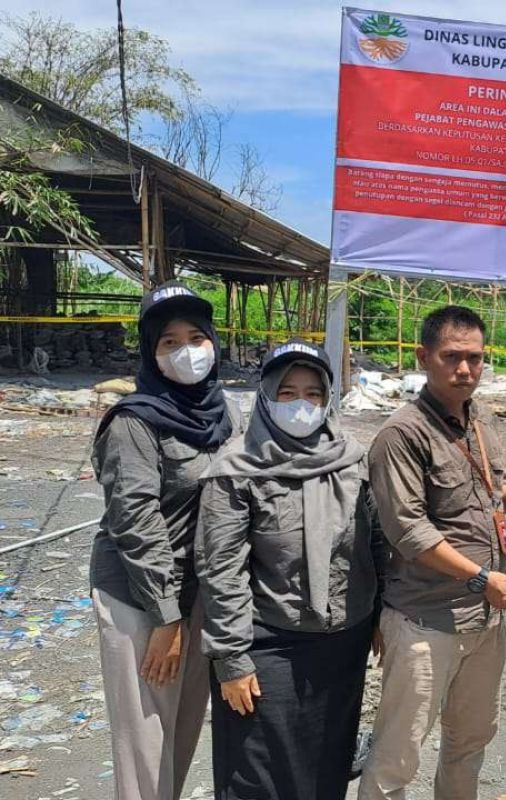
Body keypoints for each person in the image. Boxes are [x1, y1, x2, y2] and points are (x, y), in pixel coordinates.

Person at [358, 305, 506, 800]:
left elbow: (483, 496)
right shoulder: (402, 434)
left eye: (476, 358)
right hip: (426, 622)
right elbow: (410, 531)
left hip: (484, 621)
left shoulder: (479, 421)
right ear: (423, 357)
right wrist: (483, 579)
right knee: (398, 754)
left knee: (469, 742)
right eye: (452, 357)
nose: (465, 369)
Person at [195, 339, 386, 799]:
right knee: (258, 769)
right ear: (265, 396)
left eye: (313, 393)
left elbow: (375, 543)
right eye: (287, 392)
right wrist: (231, 659)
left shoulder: (353, 460)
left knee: (327, 761)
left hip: (343, 642)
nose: (301, 403)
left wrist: (378, 614)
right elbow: (221, 570)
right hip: (268, 644)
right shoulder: (237, 467)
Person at [90, 282, 242, 800]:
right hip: (142, 599)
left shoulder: (224, 415)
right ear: (151, 354)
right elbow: (135, 519)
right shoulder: (135, 421)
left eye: (197, 337)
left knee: (181, 734)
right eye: (169, 342)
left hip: (198, 595)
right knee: (146, 742)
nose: (187, 352)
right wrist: (166, 618)